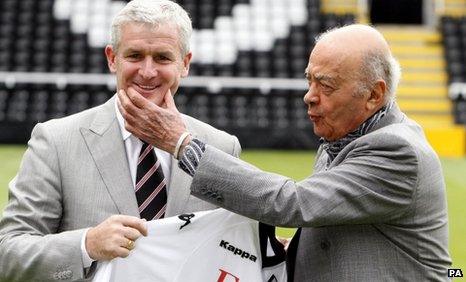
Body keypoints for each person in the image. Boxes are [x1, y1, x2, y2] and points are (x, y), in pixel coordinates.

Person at [117, 24, 452, 281]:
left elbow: (293, 203)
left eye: (326, 85)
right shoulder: (345, 135)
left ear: (373, 95)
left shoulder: (397, 150)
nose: (309, 96)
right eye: (310, 81)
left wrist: (182, 144)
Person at [0, 0, 240, 281]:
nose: (148, 71)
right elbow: (8, 253)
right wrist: (85, 245)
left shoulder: (221, 147)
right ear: (112, 58)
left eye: (162, 57)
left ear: (184, 63)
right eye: (135, 55)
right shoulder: (56, 141)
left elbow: (233, 249)